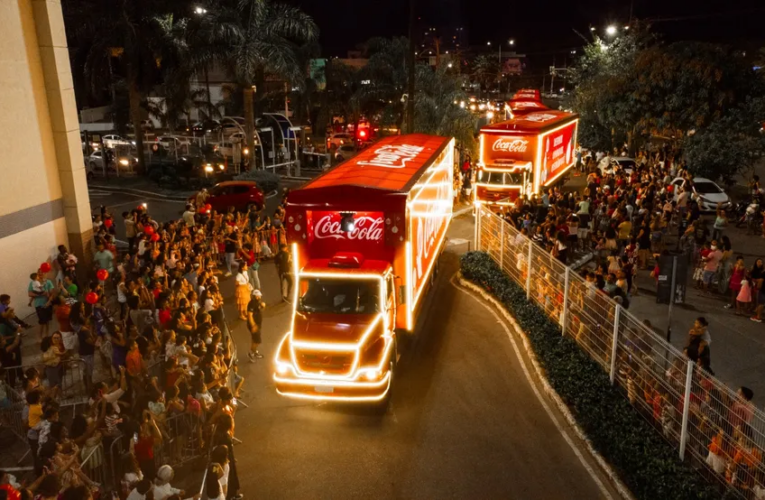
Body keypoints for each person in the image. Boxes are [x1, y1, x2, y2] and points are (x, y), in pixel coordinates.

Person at [29, 273, 54, 339]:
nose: (40, 274)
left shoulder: (48, 282)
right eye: (39, 273)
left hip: (47, 304)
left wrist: (49, 302)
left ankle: (47, 335)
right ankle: (40, 336)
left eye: (42, 273)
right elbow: (30, 293)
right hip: (39, 304)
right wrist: (41, 294)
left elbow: (51, 293)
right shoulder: (33, 283)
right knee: (42, 321)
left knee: (47, 320)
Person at [247, 290, 264, 362]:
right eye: (259, 296)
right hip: (254, 325)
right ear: (256, 296)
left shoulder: (257, 302)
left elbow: (258, 309)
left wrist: (262, 306)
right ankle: (251, 353)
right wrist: (253, 325)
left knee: (254, 339)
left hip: (257, 324)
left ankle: (254, 352)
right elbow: (249, 315)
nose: (260, 297)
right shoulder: (252, 303)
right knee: (257, 341)